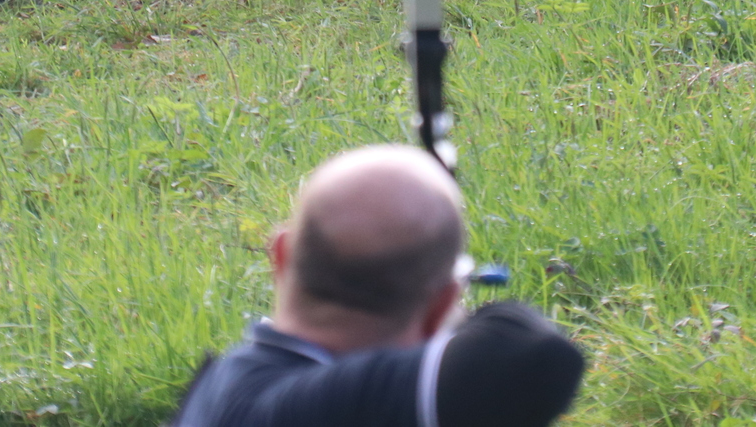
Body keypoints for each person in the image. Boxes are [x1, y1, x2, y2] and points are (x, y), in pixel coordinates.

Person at [171, 145, 586, 427]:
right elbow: (536, 357)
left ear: (280, 255)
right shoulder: (313, 406)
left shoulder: (226, 385)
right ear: (440, 306)